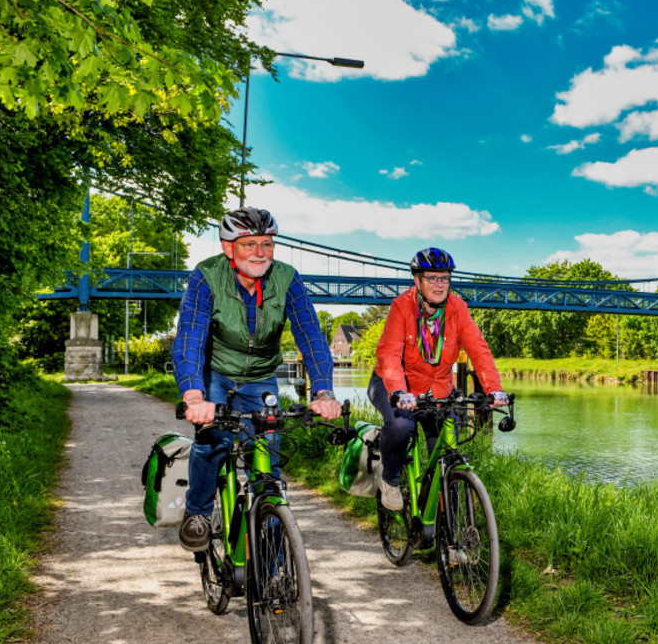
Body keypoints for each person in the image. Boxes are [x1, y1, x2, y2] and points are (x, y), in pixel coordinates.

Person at [173, 207, 342, 551]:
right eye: (249, 244)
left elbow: (310, 335)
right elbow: (190, 338)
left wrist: (324, 390)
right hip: (216, 374)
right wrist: (194, 395)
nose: (260, 253)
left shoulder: (287, 278)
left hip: (261, 378)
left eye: (267, 244)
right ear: (228, 247)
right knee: (213, 441)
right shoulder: (206, 276)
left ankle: (274, 566)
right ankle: (198, 512)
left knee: (267, 466)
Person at [367, 247, 508, 511]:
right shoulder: (401, 306)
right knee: (400, 427)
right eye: (432, 278)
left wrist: (494, 389)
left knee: (445, 454)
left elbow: (478, 349)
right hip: (394, 385)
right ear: (417, 281)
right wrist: (398, 391)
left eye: (444, 278)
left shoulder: (458, 308)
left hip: (438, 391)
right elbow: (389, 354)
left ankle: (449, 536)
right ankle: (390, 479)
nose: (439, 284)